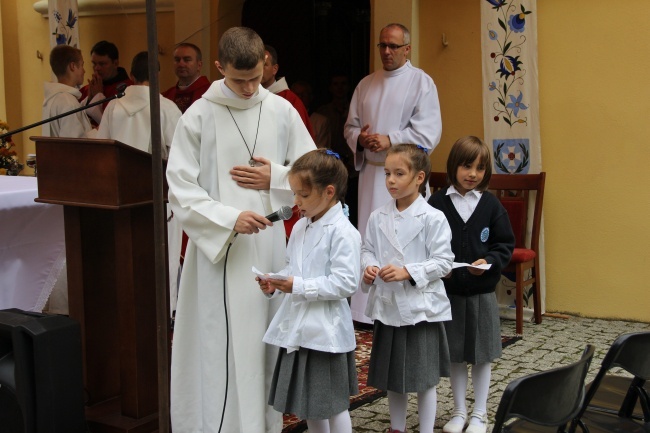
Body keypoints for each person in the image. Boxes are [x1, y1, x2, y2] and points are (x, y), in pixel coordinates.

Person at [165, 26, 316, 433]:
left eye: (255, 78)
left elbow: (314, 170)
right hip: (218, 249)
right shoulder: (198, 114)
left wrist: (276, 177)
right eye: (238, 80)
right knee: (219, 342)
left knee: (263, 342)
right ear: (219, 67)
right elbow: (179, 187)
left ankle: (263, 425)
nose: (249, 89)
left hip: (268, 245)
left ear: (266, 65)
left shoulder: (281, 110)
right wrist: (229, 218)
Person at [345, 22, 443, 324]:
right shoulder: (366, 84)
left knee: (403, 237)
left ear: (407, 49)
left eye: (393, 46)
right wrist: (360, 140)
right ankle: (364, 310)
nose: (386, 52)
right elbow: (350, 126)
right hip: (372, 174)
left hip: (404, 179)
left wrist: (391, 139)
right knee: (370, 237)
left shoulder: (421, 83)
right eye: (382, 46)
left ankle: (404, 306)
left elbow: (429, 132)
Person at [257, 149, 360, 433]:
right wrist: (275, 283)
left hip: (326, 331)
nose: (295, 202)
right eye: (294, 194)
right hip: (300, 328)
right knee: (310, 404)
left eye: (302, 195)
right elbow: (293, 267)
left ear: (328, 192)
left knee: (333, 405)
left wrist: (297, 286)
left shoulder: (344, 232)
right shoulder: (301, 226)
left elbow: (346, 282)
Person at [361, 143, 453, 433]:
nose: (390, 180)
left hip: (420, 310)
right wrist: (369, 267)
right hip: (390, 308)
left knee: (424, 378)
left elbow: (444, 263)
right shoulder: (378, 217)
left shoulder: (433, 217)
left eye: (399, 173)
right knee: (394, 377)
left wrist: (408, 272)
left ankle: (425, 429)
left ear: (419, 177)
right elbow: (367, 250)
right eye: (387, 173)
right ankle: (396, 428)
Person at [428, 136, 515, 433]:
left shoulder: (490, 204)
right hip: (449, 295)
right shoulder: (437, 203)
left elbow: (504, 243)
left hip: (480, 294)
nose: (472, 174)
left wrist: (488, 260)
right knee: (455, 355)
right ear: (454, 166)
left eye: (479, 168)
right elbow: (425, 242)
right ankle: (459, 411)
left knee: (481, 355)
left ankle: (480, 413)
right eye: (466, 166)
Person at [96, 51, 181, 159]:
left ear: (131, 76)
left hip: (119, 173)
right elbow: (178, 153)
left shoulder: (113, 105)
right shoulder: (168, 108)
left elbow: (102, 147)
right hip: (152, 174)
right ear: (157, 74)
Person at [317, 73, 358, 227]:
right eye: (335, 84)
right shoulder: (323, 112)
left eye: (343, 83)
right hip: (332, 169)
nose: (339, 88)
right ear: (330, 88)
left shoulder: (355, 110)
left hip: (354, 169)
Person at [42, 44, 95, 138]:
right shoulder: (68, 102)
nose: (84, 71)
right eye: (82, 65)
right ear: (73, 66)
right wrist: (98, 131)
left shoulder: (52, 98)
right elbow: (73, 147)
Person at [261, 45, 314, 139]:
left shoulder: (290, 100)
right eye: (256, 64)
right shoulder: (248, 97)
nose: (259, 69)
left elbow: (302, 139)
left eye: (264, 64)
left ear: (275, 69)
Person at [79, 40, 133, 125]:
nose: (97, 68)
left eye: (102, 64)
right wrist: (89, 99)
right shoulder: (86, 89)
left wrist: (98, 96)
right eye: (94, 63)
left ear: (115, 63)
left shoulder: (128, 89)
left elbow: (115, 124)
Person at [162, 42, 211, 113]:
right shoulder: (166, 96)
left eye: (187, 60)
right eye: (177, 60)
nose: (181, 64)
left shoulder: (210, 93)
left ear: (199, 65)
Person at [290, 80, 331, 149]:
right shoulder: (284, 118)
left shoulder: (321, 121)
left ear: (310, 97)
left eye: (303, 95)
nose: (299, 98)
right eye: (296, 95)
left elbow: (322, 150)